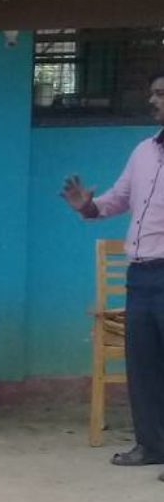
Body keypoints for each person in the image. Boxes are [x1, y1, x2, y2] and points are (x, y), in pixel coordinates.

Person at [62, 72, 164, 469]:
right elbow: (117, 200)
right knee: (142, 365)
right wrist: (86, 206)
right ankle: (151, 446)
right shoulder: (142, 152)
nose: (153, 101)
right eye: (152, 93)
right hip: (140, 276)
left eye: (160, 94)